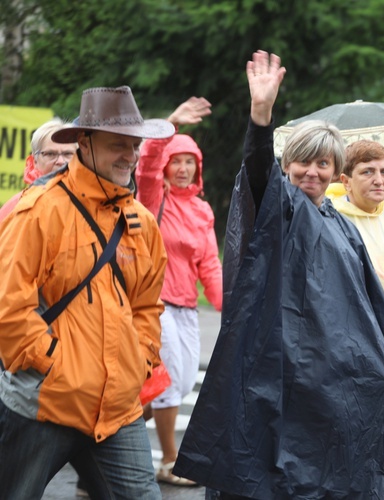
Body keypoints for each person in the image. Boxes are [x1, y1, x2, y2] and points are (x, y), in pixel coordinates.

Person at [173, 50, 384, 499]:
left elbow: (369, 304)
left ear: (336, 171)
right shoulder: (280, 207)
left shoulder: (341, 224)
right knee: (277, 477)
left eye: (322, 164)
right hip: (282, 376)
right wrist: (261, 116)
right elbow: (259, 172)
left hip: (339, 386)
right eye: (303, 162)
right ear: (287, 164)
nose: (311, 172)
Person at [0, 86, 172, 498]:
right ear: (84, 143)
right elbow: (8, 306)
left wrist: (140, 362)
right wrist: (53, 366)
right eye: (118, 145)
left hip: (118, 409)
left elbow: (148, 304)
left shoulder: (142, 222)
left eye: (134, 145)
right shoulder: (38, 210)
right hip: (45, 402)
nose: (130, 155)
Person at [135, 96, 221, 486]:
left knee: (182, 384)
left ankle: (108, 433)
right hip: (155, 305)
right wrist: (169, 124)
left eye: (190, 161)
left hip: (187, 308)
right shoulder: (155, 199)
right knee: (167, 382)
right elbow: (147, 165)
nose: (183, 168)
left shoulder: (202, 210)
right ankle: (170, 460)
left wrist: (230, 307)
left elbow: (209, 264)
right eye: (177, 161)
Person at [326, 139, 384, 437]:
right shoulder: (334, 218)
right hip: (362, 341)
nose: (379, 179)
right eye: (367, 172)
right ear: (345, 181)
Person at [0, 118, 77, 220]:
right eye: (50, 154)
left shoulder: (95, 201)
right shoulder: (16, 206)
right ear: (35, 160)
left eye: (68, 154)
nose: (60, 161)